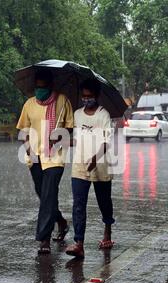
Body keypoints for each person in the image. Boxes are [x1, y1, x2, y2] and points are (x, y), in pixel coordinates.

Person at [16, 69, 74, 254]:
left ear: (50, 86)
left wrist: (59, 137)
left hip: (55, 157)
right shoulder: (29, 104)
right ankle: (61, 221)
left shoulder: (62, 102)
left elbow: (70, 129)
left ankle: (44, 239)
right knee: (44, 196)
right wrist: (28, 149)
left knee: (48, 195)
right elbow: (23, 131)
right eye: (37, 87)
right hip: (35, 157)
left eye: (43, 87)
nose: (39, 90)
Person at [65, 79, 115, 259]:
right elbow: (77, 139)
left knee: (104, 203)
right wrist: (62, 141)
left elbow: (106, 141)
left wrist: (95, 158)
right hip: (80, 166)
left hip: (101, 166)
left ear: (96, 96)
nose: (86, 99)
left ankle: (107, 230)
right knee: (78, 205)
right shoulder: (77, 114)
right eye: (84, 96)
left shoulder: (104, 115)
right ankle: (79, 243)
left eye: (90, 96)